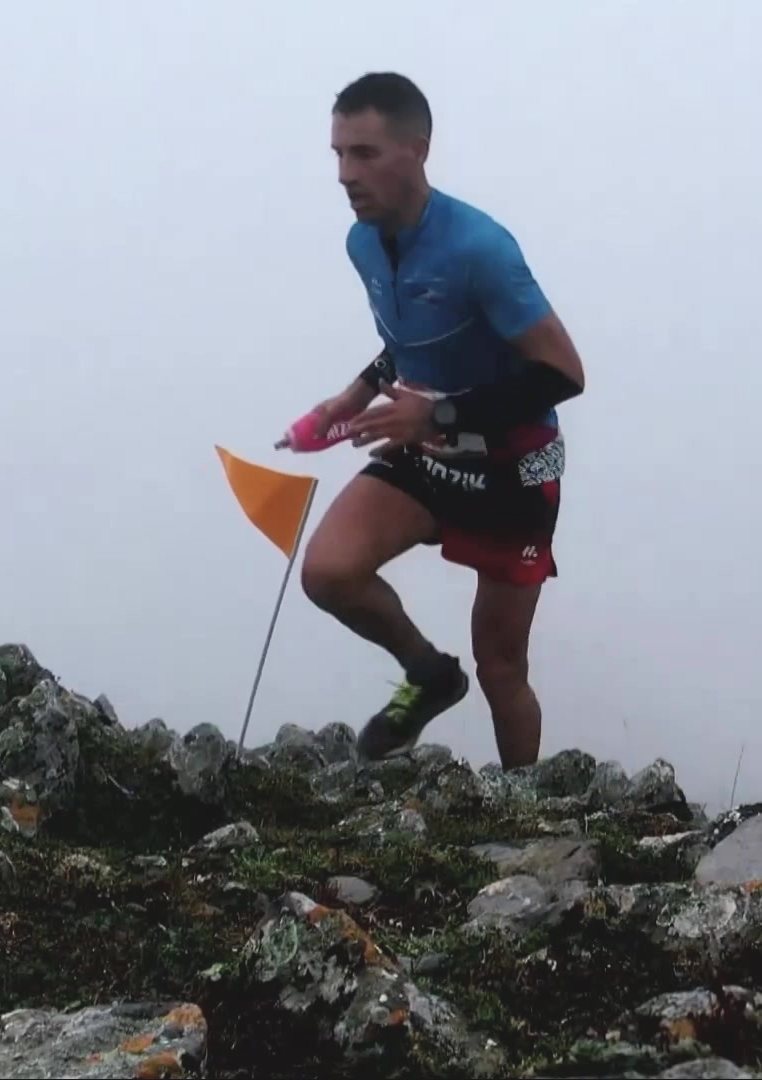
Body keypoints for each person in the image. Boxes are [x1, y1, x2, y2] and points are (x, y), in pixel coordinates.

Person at [276, 72, 586, 770]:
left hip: (513, 465)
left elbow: (564, 374)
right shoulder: (362, 243)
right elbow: (418, 337)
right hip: (426, 444)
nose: (345, 175)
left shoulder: (480, 249)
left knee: (500, 665)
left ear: (416, 150)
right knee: (327, 572)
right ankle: (428, 674)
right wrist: (355, 394)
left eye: (364, 154)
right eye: (338, 155)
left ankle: (521, 808)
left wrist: (437, 413)